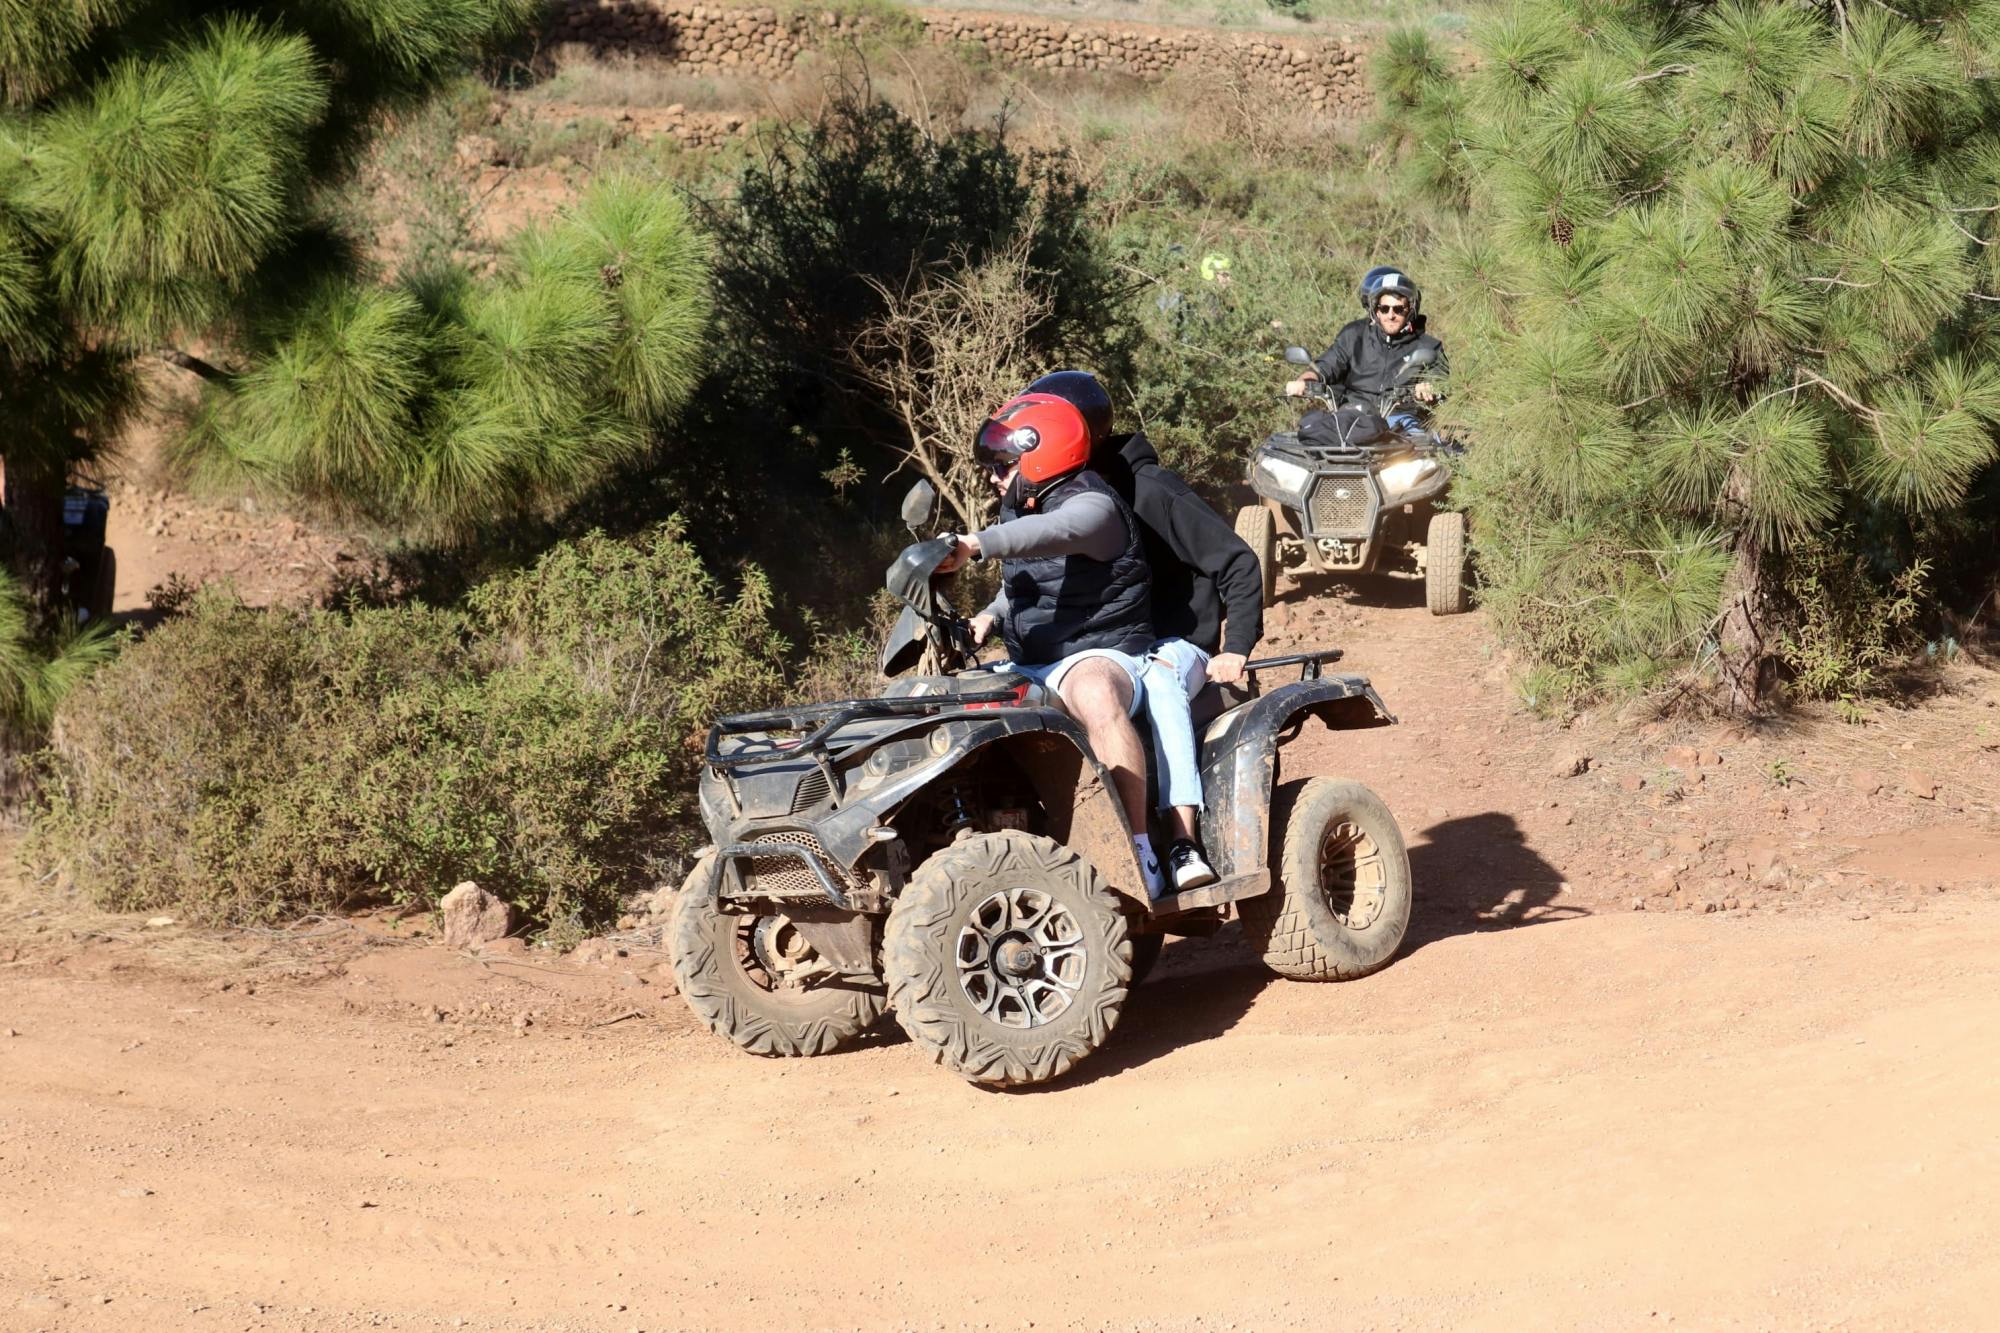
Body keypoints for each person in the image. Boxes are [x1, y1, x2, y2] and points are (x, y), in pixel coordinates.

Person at [1026, 371, 1266, 896]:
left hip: (1175, 644)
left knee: (1160, 682)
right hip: (1111, 648)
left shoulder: (1150, 489)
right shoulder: (1059, 495)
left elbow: (1239, 562)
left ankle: (1183, 843)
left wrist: (1234, 647)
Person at [936, 393, 1170, 898]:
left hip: (1103, 649)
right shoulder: (1021, 505)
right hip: (1034, 660)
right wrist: (989, 618)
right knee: (942, 701)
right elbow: (1022, 582)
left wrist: (976, 544)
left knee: (1094, 694)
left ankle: (1137, 847)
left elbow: (1057, 533)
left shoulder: (1095, 505)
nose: (993, 476)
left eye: (1002, 464)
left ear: (1043, 456)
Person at [1285, 265, 1447, 433]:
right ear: (1375, 310)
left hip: (1400, 420)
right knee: (1311, 437)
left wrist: (1428, 388)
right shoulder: (1354, 335)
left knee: (1423, 451)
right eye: (1384, 309)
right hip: (1352, 415)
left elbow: (1441, 381)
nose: (1390, 315)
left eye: (1398, 309)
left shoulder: (1429, 346)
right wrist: (1304, 381)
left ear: (1410, 310)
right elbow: (1326, 366)